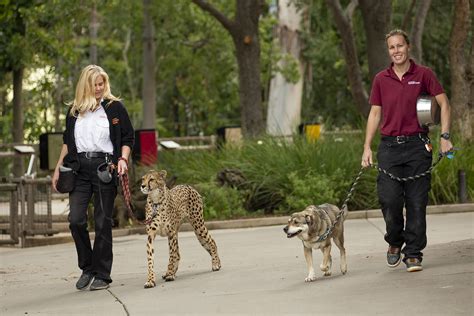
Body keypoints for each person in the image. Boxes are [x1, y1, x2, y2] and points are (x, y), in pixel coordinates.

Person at [361, 29, 453, 272]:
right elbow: (375, 113)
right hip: (389, 148)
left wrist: (445, 136)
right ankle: (394, 241)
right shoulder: (381, 78)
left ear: (408, 47)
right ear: (388, 51)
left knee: (416, 202)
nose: (396, 51)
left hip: (418, 146)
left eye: (400, 46)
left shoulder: (424, 74)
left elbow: (444, 104)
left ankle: (413, 252)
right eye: (392, 47)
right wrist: (366, 147)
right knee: (389, 200)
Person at [53, 65, 134, 290]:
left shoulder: (114, 107)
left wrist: (123, 160)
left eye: (101, 84)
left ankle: (102, 274)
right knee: (76, 220)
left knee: (102, 221)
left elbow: (128, 137)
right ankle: (87, 267)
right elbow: (68, 143)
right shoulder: (74, 111)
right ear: (85, 86)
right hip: (78, 169)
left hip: (104, 167)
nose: (98, 88)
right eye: (94, 84)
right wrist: (58, 167)